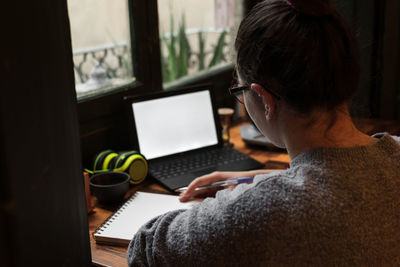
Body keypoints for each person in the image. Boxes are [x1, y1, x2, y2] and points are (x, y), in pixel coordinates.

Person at [127, 0, 400, 265]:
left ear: (265, 99)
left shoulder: (263, 210)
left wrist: (250, 195)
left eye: (240, 91)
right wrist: (267, 177)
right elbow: (339, 179)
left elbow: (146, 246)